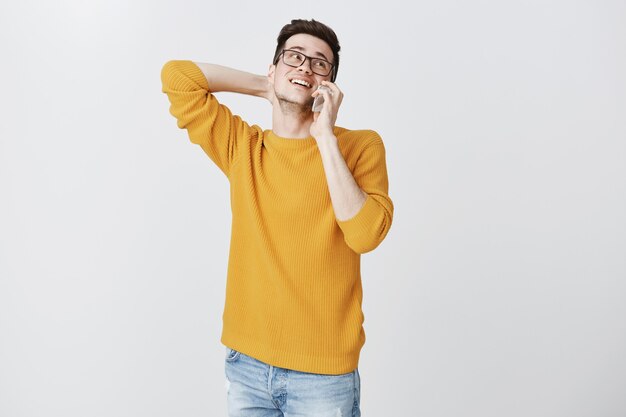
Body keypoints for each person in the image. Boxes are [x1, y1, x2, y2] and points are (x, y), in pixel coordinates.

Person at [161, 18, 393, 417]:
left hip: (324, 377)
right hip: (247, 366)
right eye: (294, 58)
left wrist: (325, 137)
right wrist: (266, 86)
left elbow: (366, 235)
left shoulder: (359, 147)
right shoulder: (243, 147)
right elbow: (178, 77)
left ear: (330, 86)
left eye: (320, 64)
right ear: (274, 68)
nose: (305, 67)